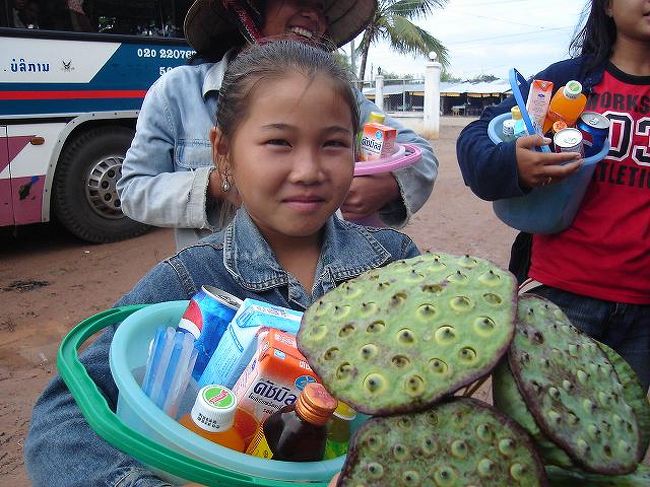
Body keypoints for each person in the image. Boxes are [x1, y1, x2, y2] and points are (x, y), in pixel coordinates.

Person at [24, 40, 420, 486]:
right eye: (278, 142)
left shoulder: (394, 266)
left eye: (333, 143)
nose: (309, 169)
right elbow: (61, 418)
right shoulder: (191, 281)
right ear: (224, 151)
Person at [117, 0, 438, 250]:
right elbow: (134, 190)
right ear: (248, 8)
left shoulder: (342, 98)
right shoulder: (177, 92)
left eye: (320, 7)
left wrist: (389, 185)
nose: (313, 15)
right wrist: (221, 184)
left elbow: (420, 153)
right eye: (299, 0)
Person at [456, 0, 649, 390]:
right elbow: (474, 139)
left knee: (614, 438)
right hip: (562, 297)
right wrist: (513, 165)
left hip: (645, 313)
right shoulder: (565, 84)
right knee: (542, 434)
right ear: (608, 6)